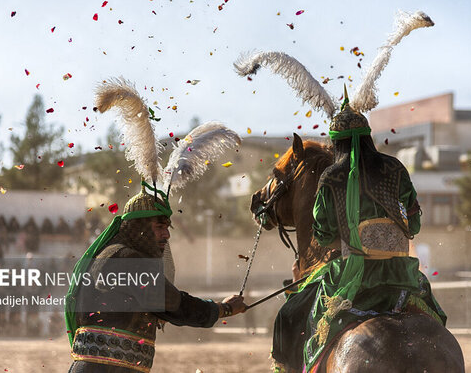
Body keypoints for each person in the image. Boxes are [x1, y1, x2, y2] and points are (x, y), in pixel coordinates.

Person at [271, 101, 446, 373]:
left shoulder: (331, 177)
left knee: (288, 315)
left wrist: (348, 238)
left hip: (352, 275)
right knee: (435, 315)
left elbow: (324, 233)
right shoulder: (396, 168)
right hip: (401, 273)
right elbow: (413, 223)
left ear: (337, 144)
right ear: (367, 138)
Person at [66, 185, 246, 372]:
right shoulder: (127, 258)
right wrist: (223, 309)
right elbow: (175, 305)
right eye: (159, 227)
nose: (166, 234)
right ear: (139, 228)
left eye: (167, 227)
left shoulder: (115, 253)